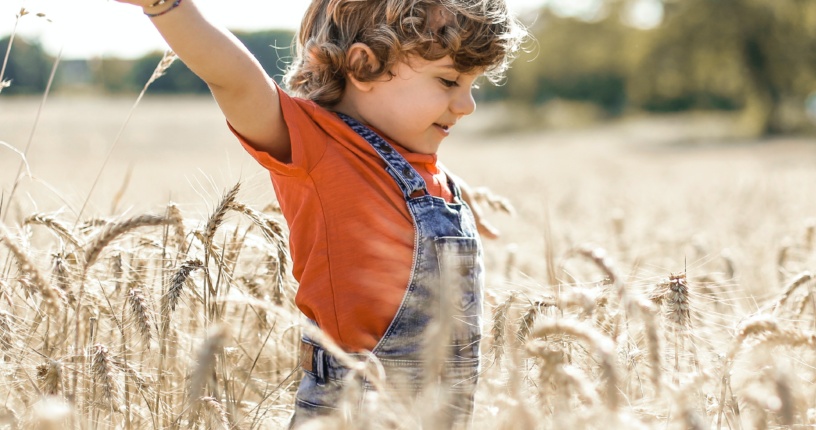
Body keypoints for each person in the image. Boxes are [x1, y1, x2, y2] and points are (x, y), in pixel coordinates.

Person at [112, 0, 526, 426]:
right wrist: (169, 8)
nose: (467, 105)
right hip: (352, 410)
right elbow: (235, 81)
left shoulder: (426, 169)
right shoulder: (317, 147)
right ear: (365, 66)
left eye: (472, 86)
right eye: (449, 81)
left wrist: (457, 198)